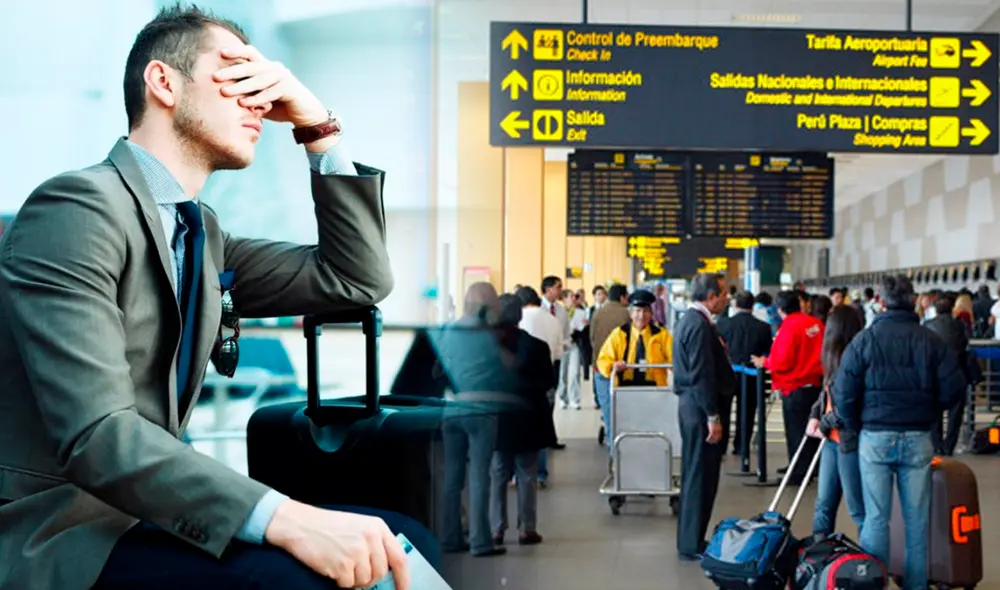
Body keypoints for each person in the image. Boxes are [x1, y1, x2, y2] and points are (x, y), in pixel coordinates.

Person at [0, 6, 413, 590]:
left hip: (146, 516)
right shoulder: (77, 207)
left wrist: (319, 128)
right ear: (163, 82)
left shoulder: (202, 236)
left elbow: (354, 279)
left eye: (264, 84)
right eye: (237, 78)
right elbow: (98, 434)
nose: (260, 102)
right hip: (60, 534)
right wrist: (286, 518)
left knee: (397, 539)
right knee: (310, 578)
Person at [834, 275, 966, 590]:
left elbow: (843, 392)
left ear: (881, 299)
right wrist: (931, 410)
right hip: (918, 436)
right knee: (917, 521)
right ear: (914, 299)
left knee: (876, 519)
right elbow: (954, 387)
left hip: (875, 437)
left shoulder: (865, 340)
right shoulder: (930, 340)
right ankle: (916, 586)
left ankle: (873, 584)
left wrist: (857, 424)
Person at [672, 273, 736, 561]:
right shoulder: (698, 326)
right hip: (700, 410)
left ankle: (692, 537)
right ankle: (691, 542)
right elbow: (701, 375)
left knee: (698, 473)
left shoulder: (693, 321)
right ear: (710, 296)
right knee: (700, 475)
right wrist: (713, 415)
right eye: (723, 293)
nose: (727, 298)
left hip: (694, 406)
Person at [752, 290, 825, 485]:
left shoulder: (788, 327)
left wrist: (764, 362)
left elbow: (782, 361)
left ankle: (798, 472)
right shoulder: (815, 323)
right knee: (812, 429)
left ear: (781, 309)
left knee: (796, 431)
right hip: (816, 385)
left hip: (795, 386)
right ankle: (811, 467)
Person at [595, 289, 673, 467]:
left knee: (651, 433)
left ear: (651, 313)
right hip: (626, 392)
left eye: (645, 311)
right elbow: (603, 360)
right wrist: (614, 365)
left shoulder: (661, 335)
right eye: (637, 311)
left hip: (653, 392)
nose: (641, 315)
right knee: (626, 433)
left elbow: (675, 359)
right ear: (630, 312)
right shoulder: (619, 334)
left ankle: (650, 472)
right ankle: (623, 472)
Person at [806, 305, 866, 537]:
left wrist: (822, 424)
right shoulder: (834, 358)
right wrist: (815, 415)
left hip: (848, 441)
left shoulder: (854, 359)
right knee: (824, 505)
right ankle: (819, 558)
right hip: (833, 439)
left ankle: (870, 565)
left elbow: (847, 407)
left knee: (856, 509)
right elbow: (826, 394)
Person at [716, 291, 772, 456]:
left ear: (735, 305)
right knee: (747, 412)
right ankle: (741, 446)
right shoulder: (763, 327)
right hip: (752, 375)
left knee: (724, 410)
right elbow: (768, 352)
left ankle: (721, 445)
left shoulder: (723, 324)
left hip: (727, 373)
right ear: (752, 305)